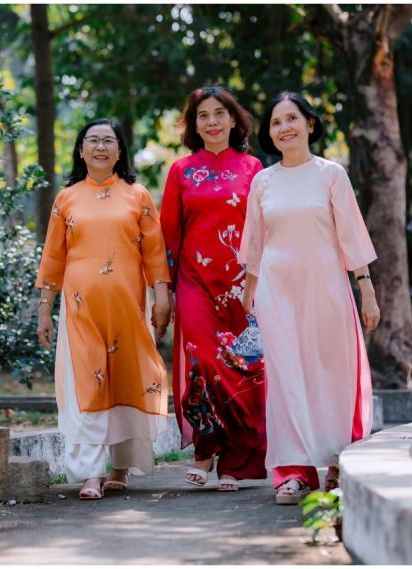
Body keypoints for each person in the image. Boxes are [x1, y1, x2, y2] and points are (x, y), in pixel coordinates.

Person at [240, 91, 380, 505]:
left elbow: (351, 234)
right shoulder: (263, 181)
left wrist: (366, 288)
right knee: (285, 377)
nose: (284, 127)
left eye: (291, 119)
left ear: (310, 124)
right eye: (275, 122)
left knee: (332, 372)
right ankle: (293, 472)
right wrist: (249, 292)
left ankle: (337, 463)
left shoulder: (330, 174)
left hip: (327, 287)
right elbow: (254, 244)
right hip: (276, 290)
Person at [35, 118, 172, 500]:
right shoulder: (66, 199)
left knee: (126, 380)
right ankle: (90, 473)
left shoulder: (137, 195)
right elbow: (53, 259)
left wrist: (162, 297)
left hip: (129, 308)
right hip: (80, 310)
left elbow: (155, 253)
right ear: (80, 151)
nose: (100, 147)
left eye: (108, 141)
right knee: (87, 384)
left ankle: (120, 467)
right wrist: (45, 309)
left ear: (119, 150)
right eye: (92, 141)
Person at [160, 86, 267, 492]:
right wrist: (164, 291)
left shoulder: (253, 168)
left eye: (220, 113)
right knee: (202, 362)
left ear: (234, 119)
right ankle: (205, 450)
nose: (212, 122)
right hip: (194, 283)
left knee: (244, 367)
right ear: (194, 124)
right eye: (203, 115)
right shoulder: (182, 171)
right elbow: (169, 235)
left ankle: (235, 463)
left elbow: (263, 229)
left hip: (244, 285)